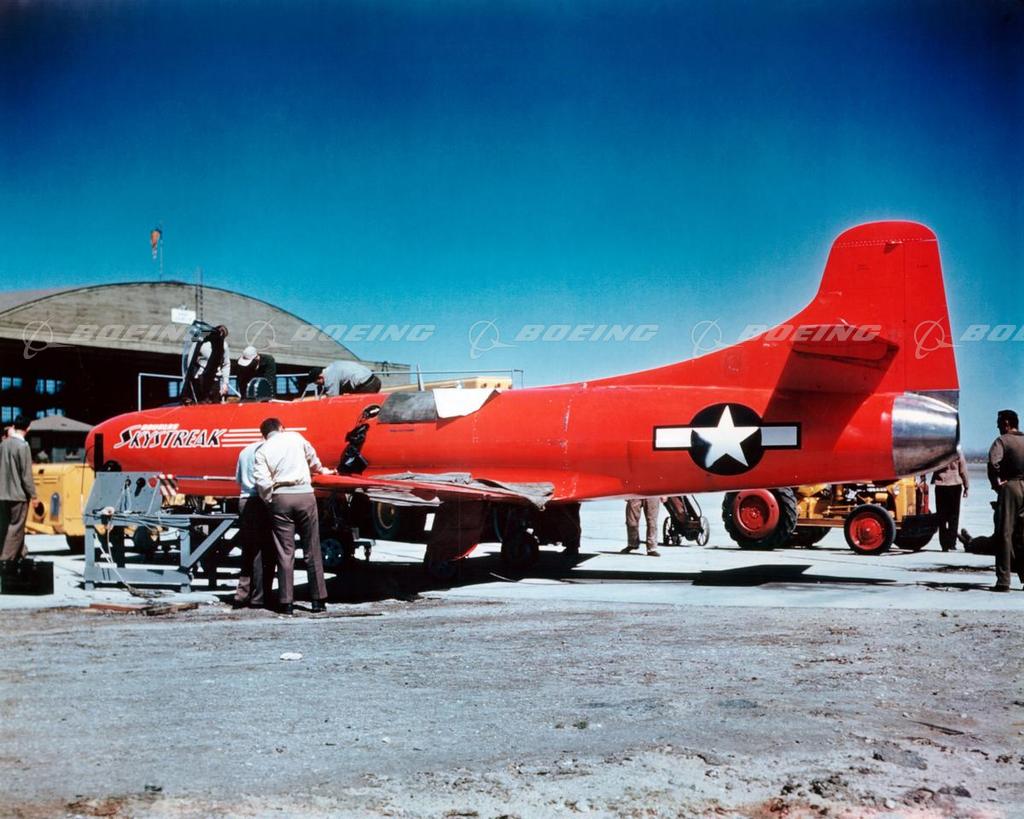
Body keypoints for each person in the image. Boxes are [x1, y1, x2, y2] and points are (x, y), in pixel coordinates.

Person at [253, 417, 334, 614]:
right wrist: (322, 470)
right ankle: (318, 600)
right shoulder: (296, 438)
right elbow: (312, 458)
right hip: (305, 494)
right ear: (281, 428)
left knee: (285, 551)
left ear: (264, 434)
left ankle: (286, 602)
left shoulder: (262, 450)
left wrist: (269, 499)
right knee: (312, 548)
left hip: (281, 497)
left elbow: (262, 481)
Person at [231, 440, 276, 609]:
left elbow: (238, 479)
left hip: (245, 499)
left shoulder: (244, 451)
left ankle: (242, 593)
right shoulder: (269, 449)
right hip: (261, 500)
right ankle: (260, 596)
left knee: (249, 548)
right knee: (265, 551)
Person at [987, 409, 1024, 592]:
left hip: (1011, 487)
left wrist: (996, 483)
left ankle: (1003, 581)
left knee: (1005, 534)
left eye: (999, 423)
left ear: (1007, 423)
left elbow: (993, 462)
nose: (998, 427)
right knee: (1022, 535)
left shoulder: (1002, 441)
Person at [0, 416, 36, 561]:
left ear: (14, 426)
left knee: (5, 527)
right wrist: (34, 495)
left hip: (2, 494)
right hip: (18, 495)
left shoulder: (3, 445)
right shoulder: (23, 446)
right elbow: (26, 475)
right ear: (28, 428)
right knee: (16, 528)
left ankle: (21, 554)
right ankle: (5, 560)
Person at [931, 450, 969, 551]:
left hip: (941, 484)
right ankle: (951, 543)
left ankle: (944, 544)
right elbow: (963, 470)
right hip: (955, 484)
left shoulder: (939, 452)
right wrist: (966, 486)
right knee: (954, 515)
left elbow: (931, 465)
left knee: (942, 516)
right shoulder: (957, 452)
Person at [184, 325, 231, 403]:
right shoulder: (202, 341)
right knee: (201, 402)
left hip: (215, 379)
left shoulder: (224, 346)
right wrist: (190, 375)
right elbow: (191, 357)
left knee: (214, 403)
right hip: (200, 376)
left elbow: (226, 364)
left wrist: (225, 383)